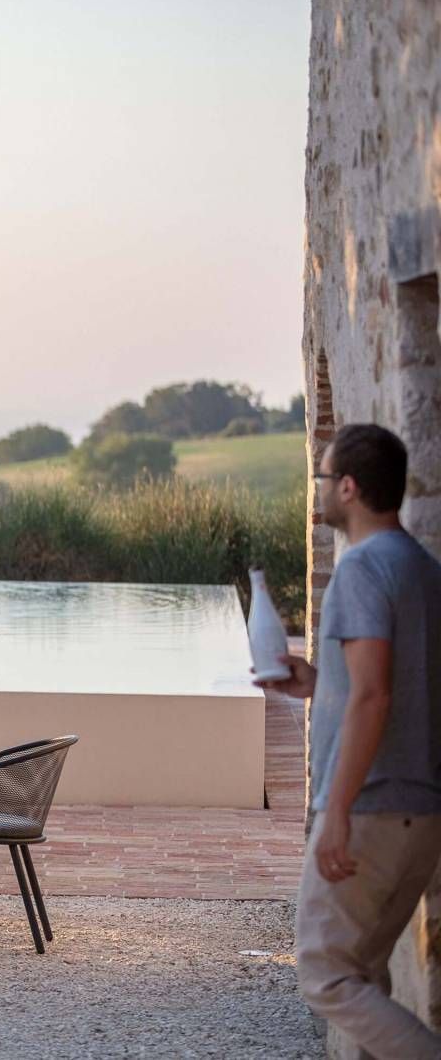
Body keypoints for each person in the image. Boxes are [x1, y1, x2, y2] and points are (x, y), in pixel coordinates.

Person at [258, 423, 441, 1058]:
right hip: (419, 812)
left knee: (326, 976)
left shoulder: (362, 567)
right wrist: (317, 681)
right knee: (362, 975)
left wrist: (336, 810)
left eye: (323, 476)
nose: (318, 488)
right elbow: (395, 683)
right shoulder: (424, 569)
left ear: (349, 487)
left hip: (370, 811)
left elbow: (374, 696)